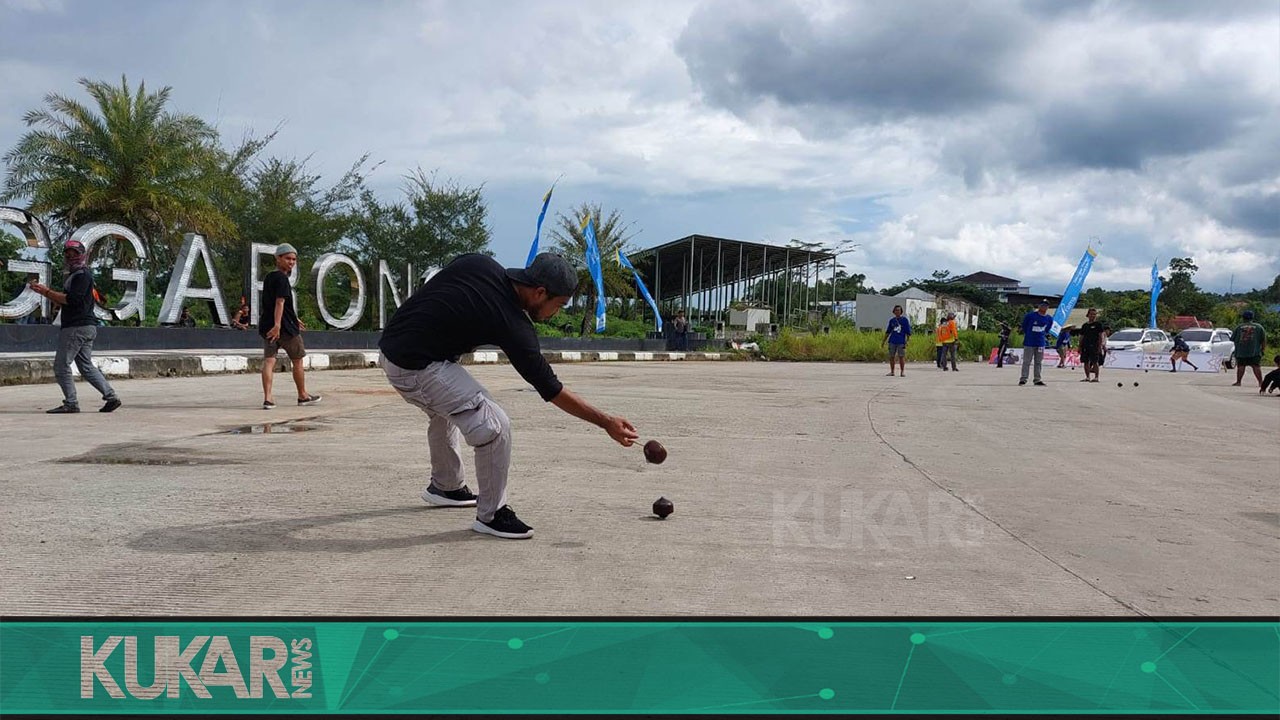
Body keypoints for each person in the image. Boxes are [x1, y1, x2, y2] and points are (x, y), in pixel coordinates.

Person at [378, 251, 639, 540]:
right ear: (540, 293)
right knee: (493, 425)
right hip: (413, 366)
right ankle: (492, 514)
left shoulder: (479, 262)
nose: (558, 312)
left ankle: (446, 486)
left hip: (394, 346)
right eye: (560, 305)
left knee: (449, 406)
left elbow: (447, 280)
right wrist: (606, 422)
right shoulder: (512, 324)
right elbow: (552, 389)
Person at [27, 239, 122, 414]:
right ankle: (111, 397)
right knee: (85, 365)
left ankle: (71, 403)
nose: (71, 258)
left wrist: (45, 292)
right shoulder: (77, 275)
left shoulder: (82, 276)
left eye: (75, 254)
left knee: (61, 365)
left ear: (82, 255)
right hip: (86, 326)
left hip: (76, 327)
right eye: (68, 254)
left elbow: (72, 300)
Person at [260, 243, 320, 410]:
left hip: (267, 326)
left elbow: (276, 304)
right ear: (278, 258)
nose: (291, 262)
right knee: (298, 361)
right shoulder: (282, 279)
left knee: (269, 361)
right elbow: (279, 303)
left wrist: (295, 317)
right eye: (287, 258)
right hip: (284, 329)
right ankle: (302, 395)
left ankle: (268, 398)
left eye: (293, 259)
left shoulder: (269, 277)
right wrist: (279, 325)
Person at [1019, 300, 1052, 386]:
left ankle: (1037, 379)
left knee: (1038, 362)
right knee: (1026, 361)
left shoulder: (1049, 318)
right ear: (1039, 306)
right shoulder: (1030, 316)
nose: (1044, 307)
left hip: (1040, 343)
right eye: (1042, 305)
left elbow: (1047, 329)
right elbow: (1024, 326)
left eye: (1046, 306)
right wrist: (1029, 334)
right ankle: (1023, 378)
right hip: (1029, 342)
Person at [1231, 310, 1267, 389]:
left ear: (1243, 318)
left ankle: (1238, 382)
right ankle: (1261, 382)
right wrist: (1263, 350)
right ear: (1252, 317)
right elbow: (1263, 340)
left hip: (1241, 352)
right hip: (1255, 351)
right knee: (1256, 366)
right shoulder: (1259, 327)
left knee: (1241, 366)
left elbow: (1233, 339)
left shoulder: (1239, 327)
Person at [1075, 308, 1108, 383]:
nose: (1093, 316)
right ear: (1088, 315)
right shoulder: (1084, 325)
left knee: (1095, 361)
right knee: (1086, 361)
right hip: (1085, 346)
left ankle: (1096, 377)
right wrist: (1079, 346)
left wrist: (1100, 346)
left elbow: (1101, 336)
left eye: (1094, 314)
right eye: (1091, 314)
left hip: (1094, 345)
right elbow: (1081, 337)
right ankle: (1087, 377)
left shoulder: (1098, 325)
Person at [881, 305, 911, 376]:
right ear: (894, 311)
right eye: (896, 310)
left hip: (901, 341)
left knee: (901, 356)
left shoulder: (904, 320)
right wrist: (883, 341)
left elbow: (908, 332)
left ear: (901, 312)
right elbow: (888, 332)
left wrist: (907, 341)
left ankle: (902, 371)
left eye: (899, 310)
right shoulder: (892, 321)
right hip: (892, 341)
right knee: (891, 356)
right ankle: (892, 371)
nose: (897, 311)